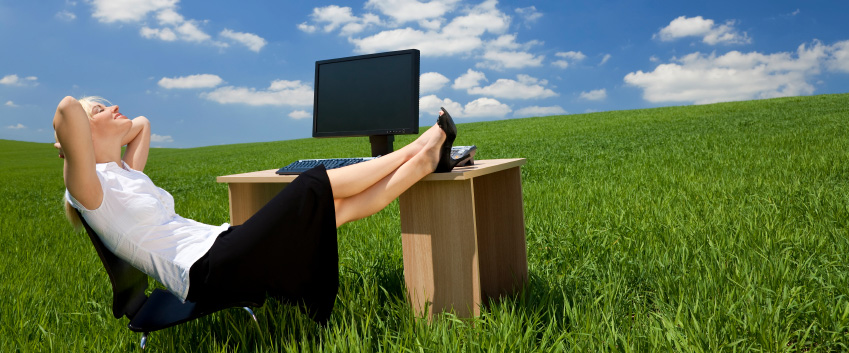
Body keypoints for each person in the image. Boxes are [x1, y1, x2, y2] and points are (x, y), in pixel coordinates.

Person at [53, 95, 459, 323]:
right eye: (101, 109)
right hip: (205, 271)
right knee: (310, 187)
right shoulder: (89, 191)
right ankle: (421, 147)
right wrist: (74, 142)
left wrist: (106, 124)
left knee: (333, 212)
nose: (114, 107)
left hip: (220, 247)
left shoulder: (125, 174)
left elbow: (141, 123)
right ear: (78, 140)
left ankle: (424, 163)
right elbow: (66, 109)